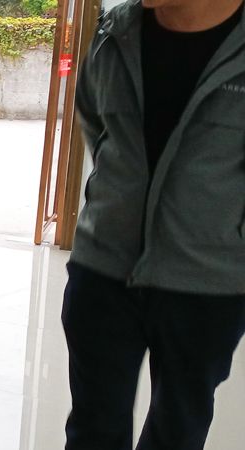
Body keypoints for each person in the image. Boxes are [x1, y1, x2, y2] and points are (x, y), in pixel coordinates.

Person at [65, 0, 245, 448]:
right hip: (103, 271)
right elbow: (94, 121)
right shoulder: (114, 33)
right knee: (92, 430)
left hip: (207, 285)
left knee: (177, 432)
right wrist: (111, 201)